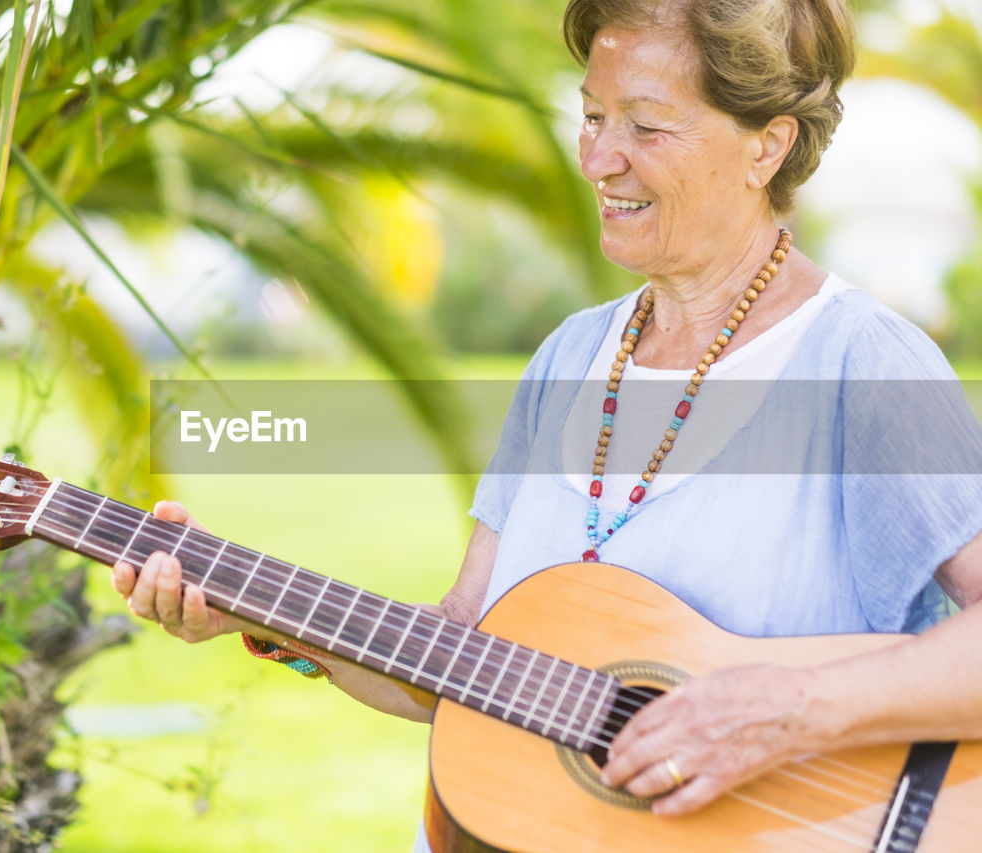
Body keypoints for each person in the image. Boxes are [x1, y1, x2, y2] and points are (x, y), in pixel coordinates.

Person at [112, 0, 982, 845]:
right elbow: (459, 657)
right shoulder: (570, 358)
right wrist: (258, 613)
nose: (600, 159)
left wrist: (788, 712)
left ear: (768, 144)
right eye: (592, 115)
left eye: (645, 127)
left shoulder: (863, 365)